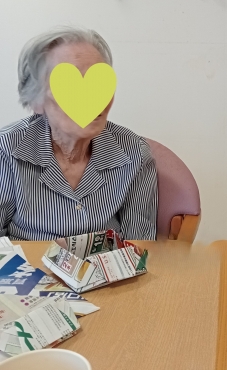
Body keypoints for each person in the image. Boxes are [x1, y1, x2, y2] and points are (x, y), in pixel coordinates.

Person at [0, 28, 158, 240]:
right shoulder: (6, 150)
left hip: (108, 261)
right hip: (27, 260)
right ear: (36, 101)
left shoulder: (135, 154)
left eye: (99, 84)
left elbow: (141, 242)